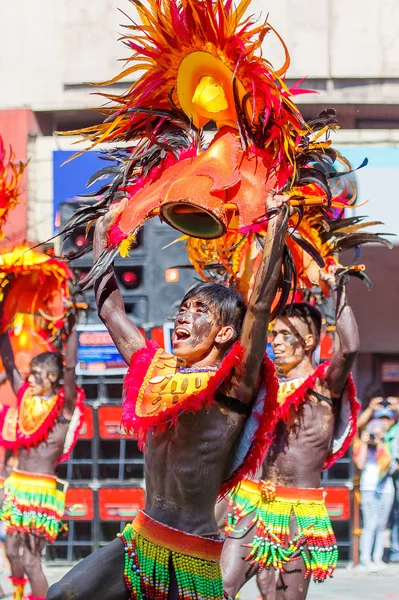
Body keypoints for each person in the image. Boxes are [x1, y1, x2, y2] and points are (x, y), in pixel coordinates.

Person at [47, 191, 289, 600]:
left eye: (199, 312)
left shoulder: (234, 385)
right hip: (140, 537)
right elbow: (111, 313)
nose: (183, 315)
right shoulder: (155, 370)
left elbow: (261, 307)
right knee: (62, 595)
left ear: (225, 333)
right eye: (183, 308)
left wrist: (275, 229)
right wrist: (104, 241)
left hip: (191, 550)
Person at [220, 268, 359, 600]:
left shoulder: (325, 384)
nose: (276, 343)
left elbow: (350, 348)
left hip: (299, 512)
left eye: (285, 335)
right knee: (221, 586)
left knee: (281, 598)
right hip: (253, 503)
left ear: (309, 341)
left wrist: (337, 287)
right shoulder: (267, 386)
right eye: (274, 335)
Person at [0, 321, 84, 600]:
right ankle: (17, 594)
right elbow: (9, 362)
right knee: (11, 551)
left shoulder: (63, 411)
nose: (29, 379)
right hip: (15, 486)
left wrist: (72, 327)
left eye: (36, 374)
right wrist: (2, 325)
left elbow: (70, 370)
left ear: (50, 377)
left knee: (33, 560)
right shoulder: (25, 400)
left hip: (41, 492)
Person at [353, 417, 394, 570]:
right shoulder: (361, 445)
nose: (373, 437)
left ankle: (378, 557)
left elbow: (387, 462)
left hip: (386, 488)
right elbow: (360, 463)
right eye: (372, 433)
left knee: (381, 525)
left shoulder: (386, 445)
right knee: (370, 523)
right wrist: (364, 443)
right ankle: (365, 558)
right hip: (369, 488)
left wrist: (380, 444)